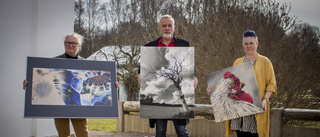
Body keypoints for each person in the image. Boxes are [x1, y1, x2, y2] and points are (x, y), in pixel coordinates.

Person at [23, 33, 119, 137]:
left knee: (83, 134)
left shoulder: (87, 64)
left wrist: (114, 86)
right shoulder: (53, 63)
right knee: (63, 134)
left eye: (73, 43)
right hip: (60, 106)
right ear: (64, 45)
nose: (70, 45)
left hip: (79, 106)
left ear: (79, 46)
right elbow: (42, 79)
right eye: (68, 43)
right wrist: (30, 84)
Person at [138, 14, 198, 137]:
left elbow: (190, 66)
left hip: (178, 96)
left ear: (174, 28)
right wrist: (140, 74)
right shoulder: (149, 47)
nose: (167, 28)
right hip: (159, 97)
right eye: (164, 25)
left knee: (182, 132)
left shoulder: (184, 45)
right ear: (159, 28)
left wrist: (194, 77)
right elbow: (142, 68)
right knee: (160, 132)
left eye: (169, 25)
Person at [207, 30, 276, 137]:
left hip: (257, 110)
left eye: (251, 43)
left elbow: (271, 84)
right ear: (243, 45)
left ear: (257, 44)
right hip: (239, 111)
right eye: (246, 43)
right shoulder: (237, 62)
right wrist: (213, 90)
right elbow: (230, 85)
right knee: (241, 134)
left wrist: (265, 99)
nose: (249, 46)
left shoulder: (265, 62)